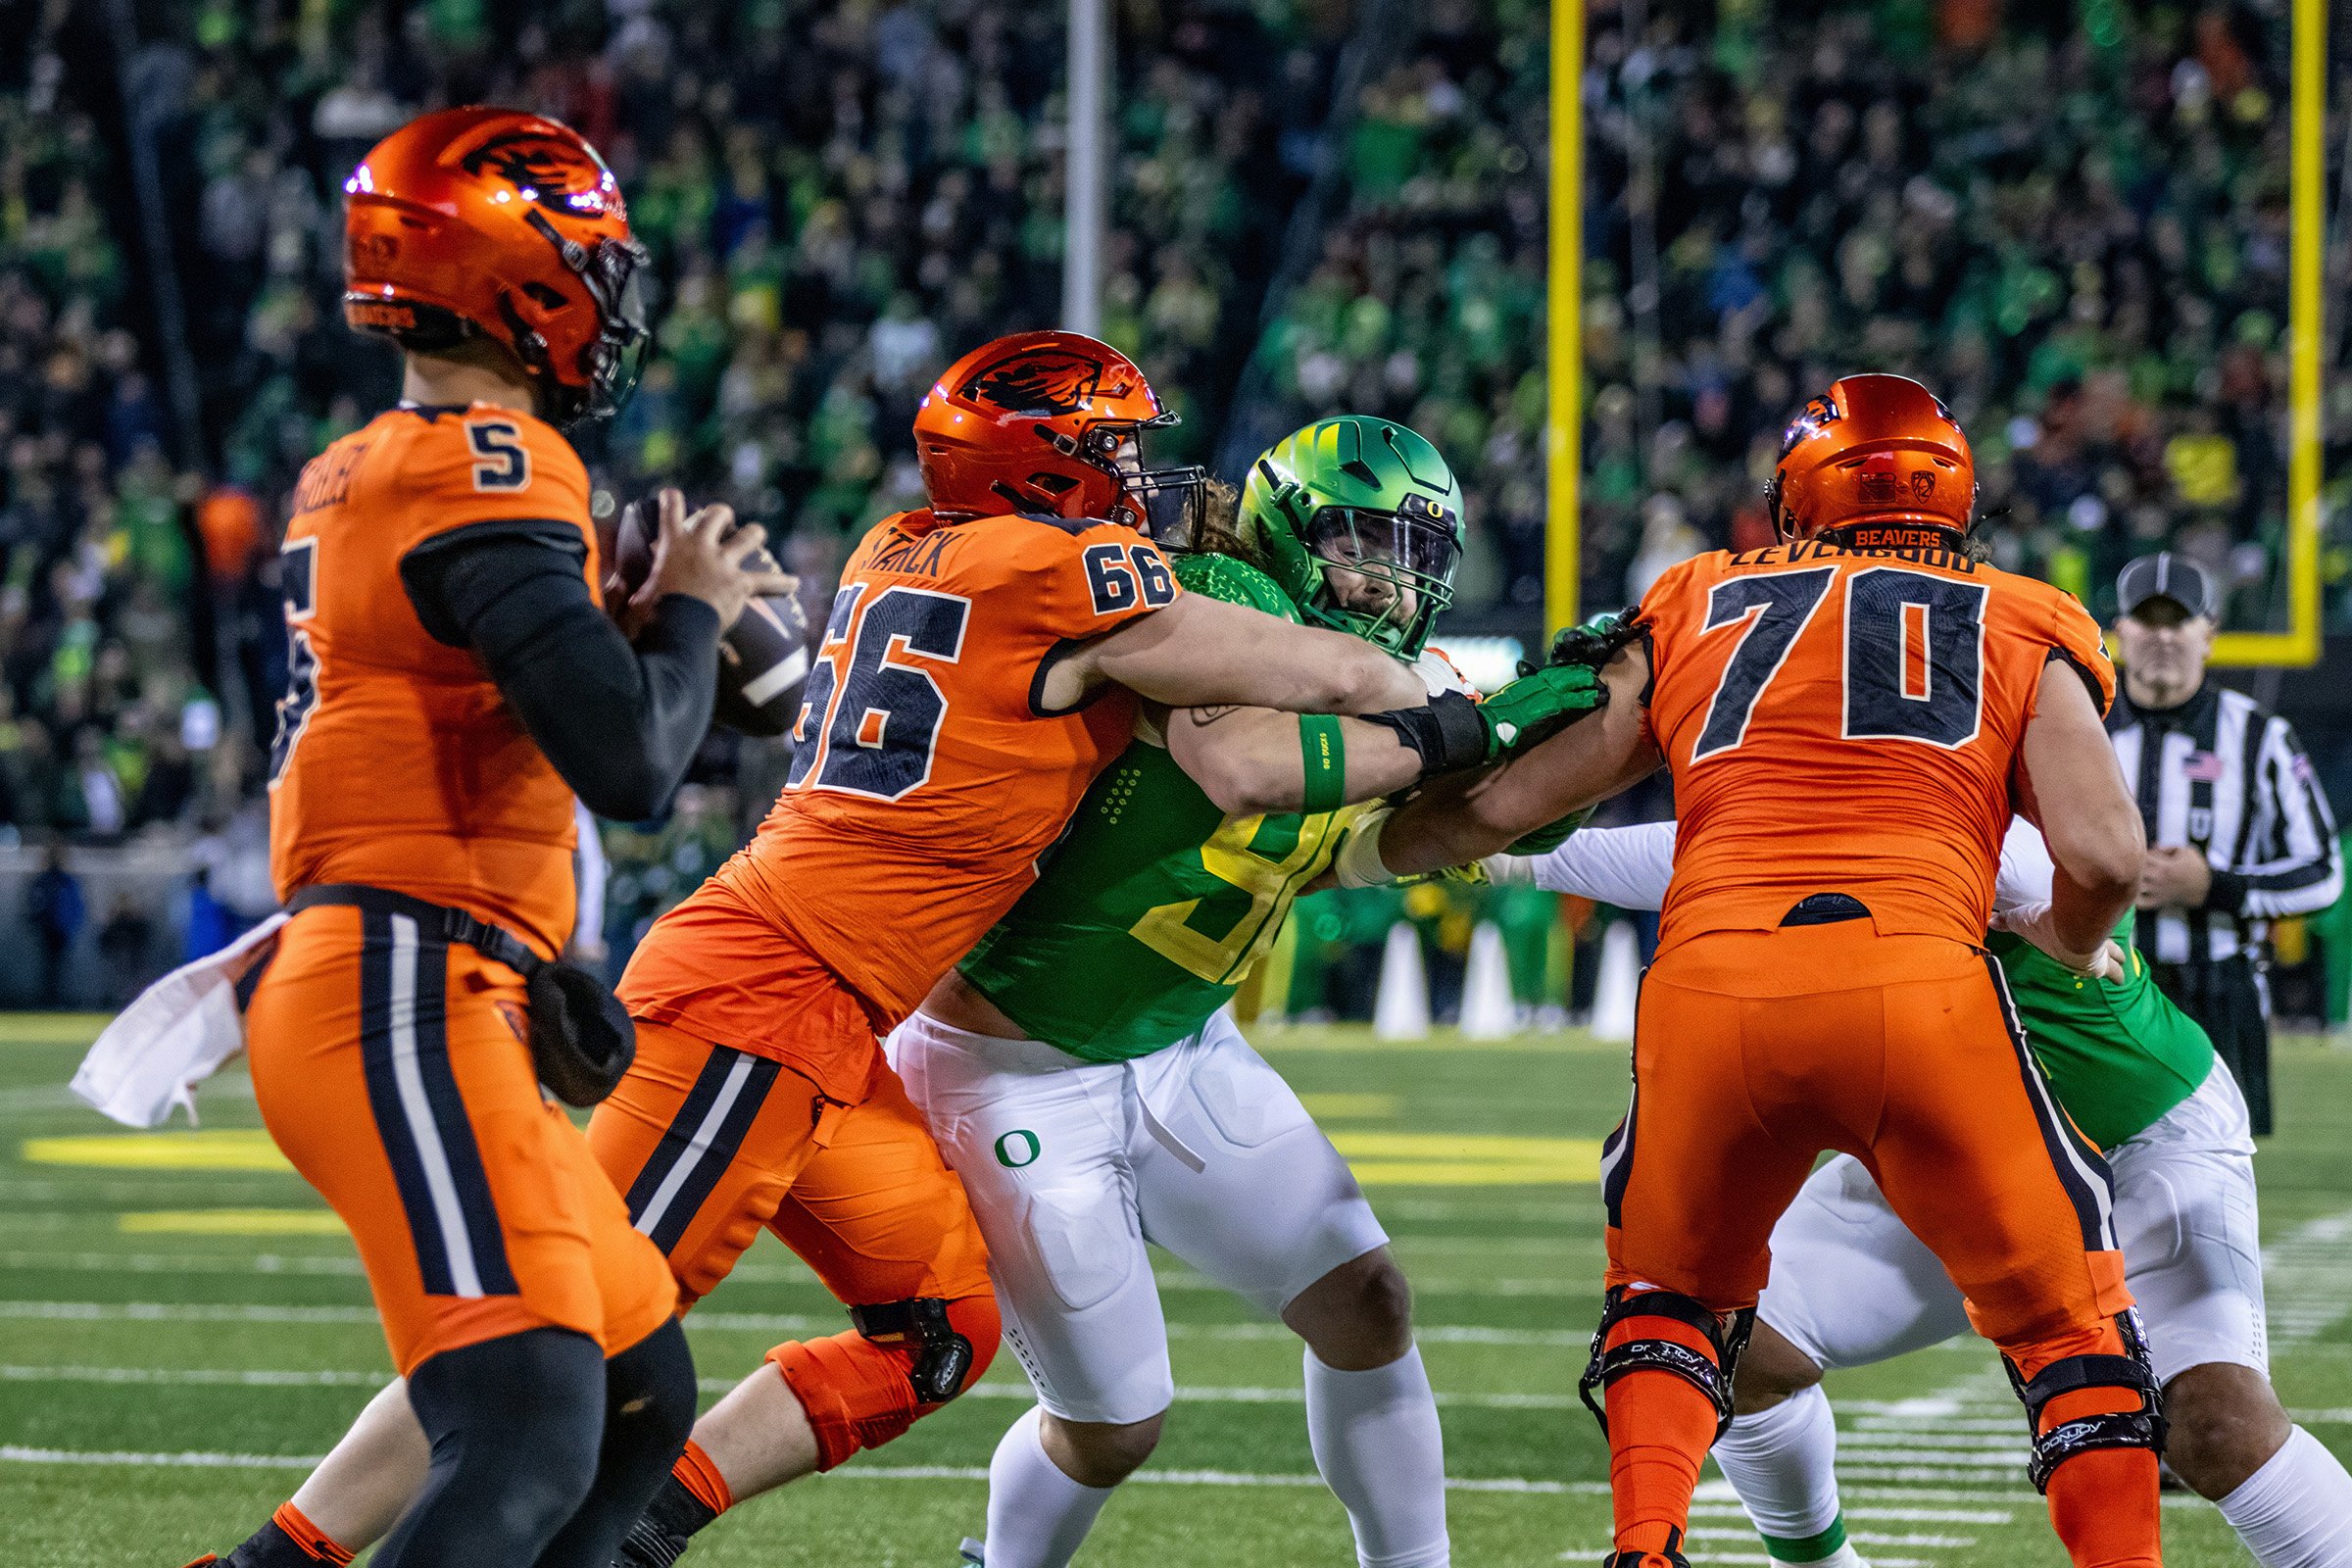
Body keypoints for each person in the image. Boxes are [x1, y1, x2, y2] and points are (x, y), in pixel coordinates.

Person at [196, 337, 1604, 1568]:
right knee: (554, 1329)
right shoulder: (1070, 574)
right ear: (1047, 466)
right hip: (768, 994)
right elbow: (1316, 696)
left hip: (844, 1018)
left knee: (940, 1325)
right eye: (1111, 454)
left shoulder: (901, 543)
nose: (1142, 482)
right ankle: (281, 1553)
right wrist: (1465, 711)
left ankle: (647, 1528)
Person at [1339, 374, 2163, 1566]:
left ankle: (1646, 1544)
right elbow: (2107, 854)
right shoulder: (2027, 615)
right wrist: (2070, 941)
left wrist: (1355, 853)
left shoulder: (1695, 597)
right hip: (1921, 989)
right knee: (2069, 1332)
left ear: (1799, 495)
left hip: (1715, 990)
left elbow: (1505, 808)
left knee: (1668, 1303)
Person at [212, 106, 790, 1568]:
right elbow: (629, 760)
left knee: (638, 1391)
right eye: (590, 269)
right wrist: (695, 609)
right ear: (511, 277)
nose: (610, 303)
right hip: (398, 987)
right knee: (525, 1422)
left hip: (440, 974)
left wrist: (639, 627)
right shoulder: (488, 462)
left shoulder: (380, 464)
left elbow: (541, 710)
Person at [893, 416, 1578, 1568]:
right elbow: (1247, 766)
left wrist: (1589, 731)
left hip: (1179, 1044)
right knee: (1111, 1426)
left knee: (1367, 1306)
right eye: (1362, 541)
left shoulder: (1379, 672)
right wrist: (1476, 726)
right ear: (1288, 529)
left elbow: (1456, 818)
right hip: (1017, 1062)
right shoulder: (1212, 592)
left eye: (1415, 554)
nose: (1390, 580)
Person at [1502, 818, 2352, 1566]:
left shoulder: (1977, 797)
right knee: (1739, 1345)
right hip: (1964, 1142)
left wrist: (1506, 845)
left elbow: (2075, 861)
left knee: (2216, 1426)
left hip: (2137, 1136)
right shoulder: (1833, 795)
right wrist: (1497, 848)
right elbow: (1705, 850)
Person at [2106, 551, 2342, 1135]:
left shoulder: (2260, 736)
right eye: (2147, 620)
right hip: (2102, 987)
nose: (2163, 636)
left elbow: (2323, 872)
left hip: (2219, 990)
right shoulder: (2079, 727)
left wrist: (2215, 886)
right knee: (2092, 1165)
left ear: (2209, 634)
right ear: (2120, 631)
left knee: (2217, 1171)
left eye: (2178, 621)